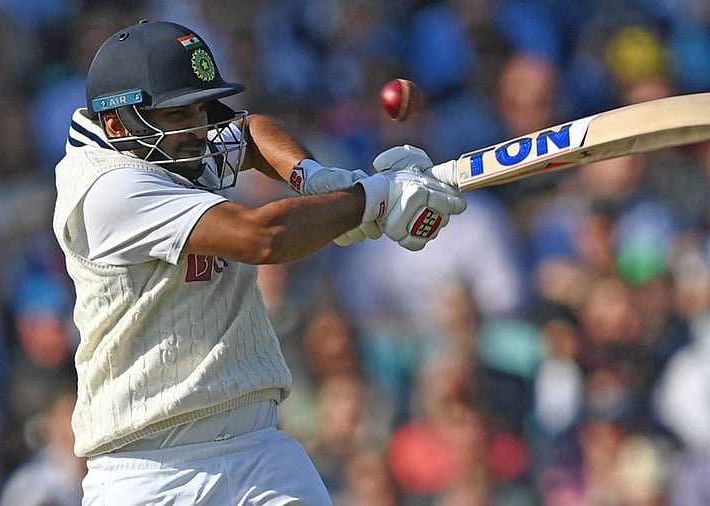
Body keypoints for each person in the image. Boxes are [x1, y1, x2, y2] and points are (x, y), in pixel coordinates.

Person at [50, 19, 466, 505]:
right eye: (180, 114)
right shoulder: (109, 190)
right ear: (119, 123)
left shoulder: (169, 146)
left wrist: (314, 180)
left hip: (259, 452)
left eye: (201, 108)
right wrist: (366, 200)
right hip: (149, 470)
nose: (201, 130)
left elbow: (248, 132)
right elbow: (259, 237)